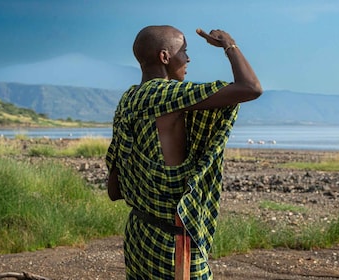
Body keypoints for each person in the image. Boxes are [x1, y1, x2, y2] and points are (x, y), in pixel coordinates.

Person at [105, 25, 262, 279]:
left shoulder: (128, 100)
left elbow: (115, 190)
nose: (188, 59)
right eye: (184, 51)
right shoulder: (166, 95)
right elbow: (250, 88)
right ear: (165, 57)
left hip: (138, 237)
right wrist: (229, 45)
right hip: (172, 244)